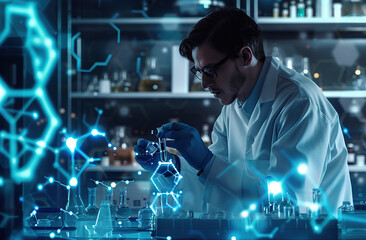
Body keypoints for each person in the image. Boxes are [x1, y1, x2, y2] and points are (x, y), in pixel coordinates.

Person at [134, 8, 352, 216]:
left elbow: (289, 201)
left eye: (210, 70)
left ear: (245, 57)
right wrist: (171, 167)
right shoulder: (232, 107)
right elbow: (214, 184)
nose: (204, 83)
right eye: (199, 72)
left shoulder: (299, 103)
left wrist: (205, 162)